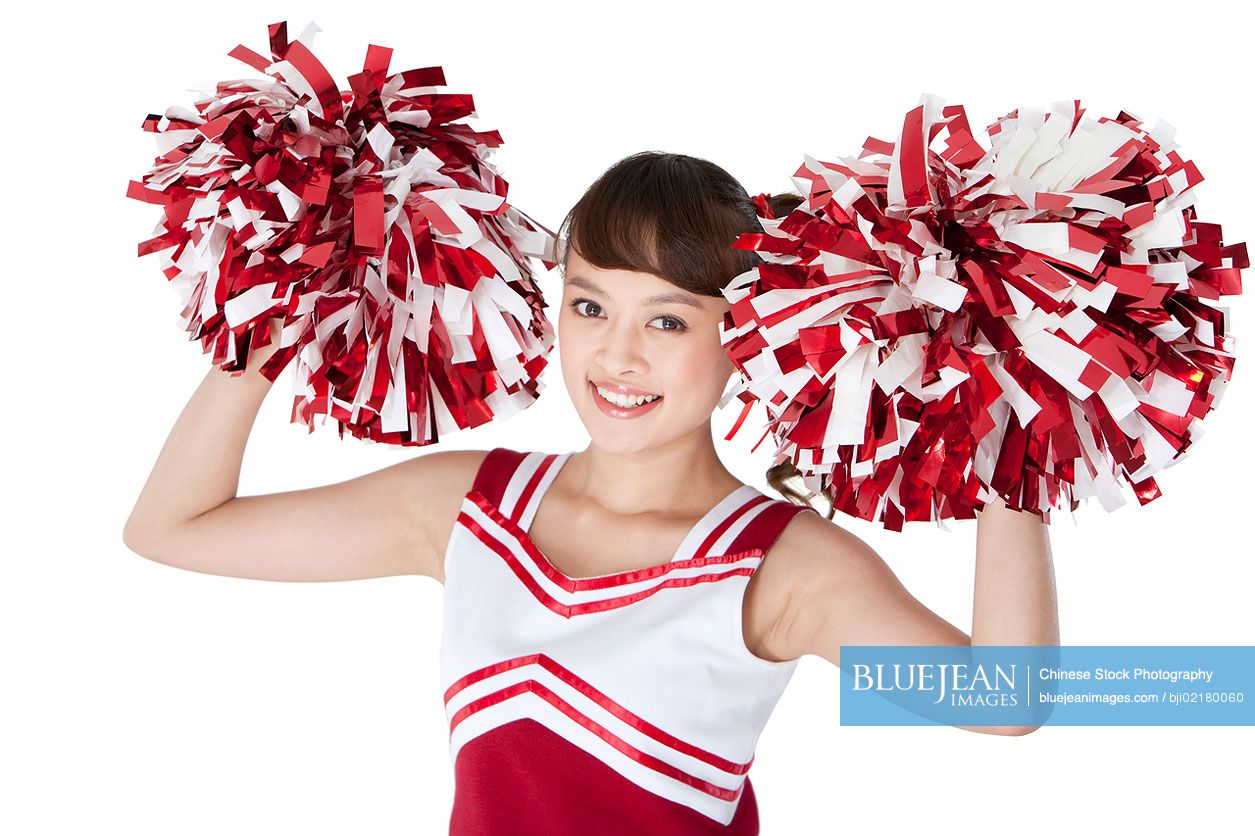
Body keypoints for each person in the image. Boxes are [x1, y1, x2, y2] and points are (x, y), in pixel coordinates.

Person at [123, 151, 1059, 835]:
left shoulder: (777, 564)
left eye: (666, 319)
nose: (616, 355)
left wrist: (1007, 430)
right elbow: (173, 528)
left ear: (743, 338)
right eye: (588, 305)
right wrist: (275, 311)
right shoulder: (469, 506)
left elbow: (1006, 699)